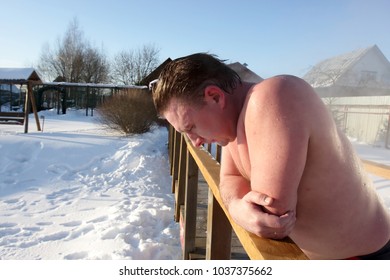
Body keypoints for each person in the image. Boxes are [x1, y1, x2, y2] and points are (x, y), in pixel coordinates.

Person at [152, 53, 390, 260]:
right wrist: (236, 206)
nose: (195, 142)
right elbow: (230, 178)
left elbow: (271, 215)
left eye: (190, 127)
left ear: (215, 96)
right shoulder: (234, 127)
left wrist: (239, 208)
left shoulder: (273, 96)